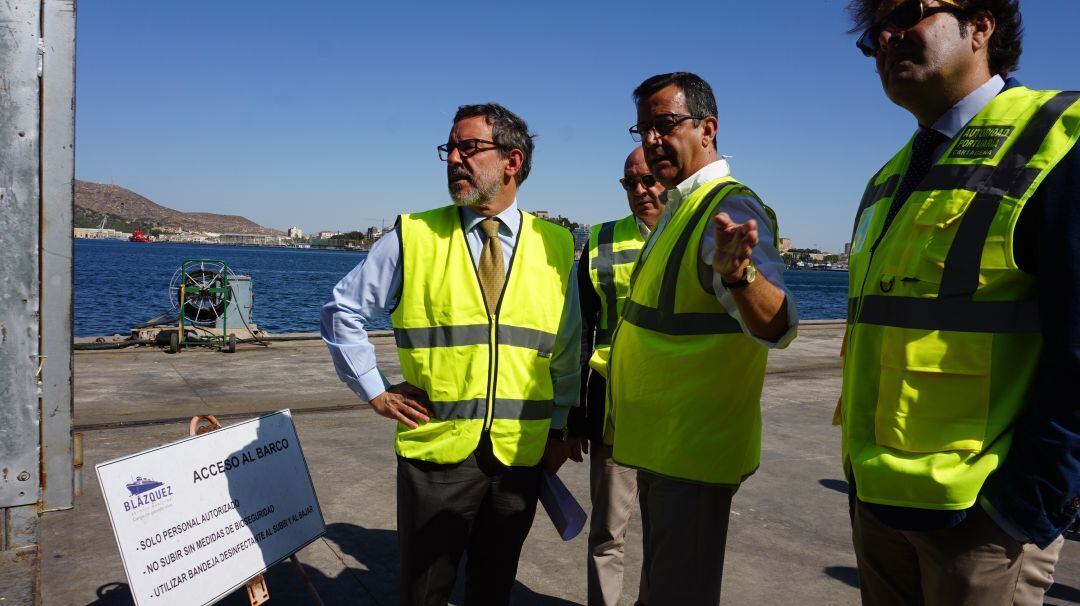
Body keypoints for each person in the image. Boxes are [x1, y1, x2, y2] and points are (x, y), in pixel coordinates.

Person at [840, 1, 1080, 603]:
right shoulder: (889, 179)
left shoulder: (1058, 139)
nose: (888, 36)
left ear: (982, 25)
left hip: (981, 523)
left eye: (909, 12)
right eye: (876, 32)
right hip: (877, 501)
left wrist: (1023, 509)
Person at [320, 103, 581, 605]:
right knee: (425, 592)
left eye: (470, 148)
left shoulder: (555, 244)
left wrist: (559, 428)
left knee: (493, 589)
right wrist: (373, 389)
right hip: (436, 454)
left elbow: (565, 348)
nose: (454, 159)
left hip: (519, 457)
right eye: (450, 148)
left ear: (512, 161)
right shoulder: (414, 235)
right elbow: (341, 310)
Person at [607, 72, 798, 603]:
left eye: (664, 125)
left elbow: (777, 327)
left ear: (707, 128)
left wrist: (741, 277)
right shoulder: (680, 207)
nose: (650, 141)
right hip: (665, 447)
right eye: (642, 129)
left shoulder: (729, 207)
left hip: (692, 450)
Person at [569, 146, 665, 606]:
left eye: (650, 179)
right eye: (631, 182)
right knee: (608, 532)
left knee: (668, 537)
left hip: (675, 410)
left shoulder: (696, 233)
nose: (641, 190)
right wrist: (573, 413)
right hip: (611, 408)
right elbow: (580, 333)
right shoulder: (601, 241)